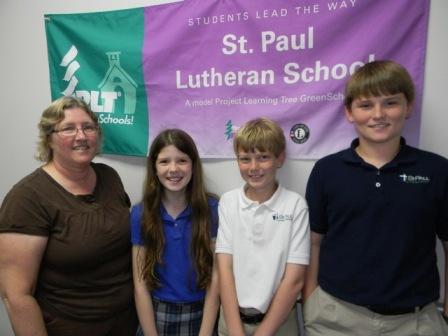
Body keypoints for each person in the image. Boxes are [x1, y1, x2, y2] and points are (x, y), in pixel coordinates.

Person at [303, 60, 448, 336]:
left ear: (408, 107)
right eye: (366, 105)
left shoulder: (437, 171)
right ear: (349, 112)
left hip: (414, 323)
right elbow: (314, 242)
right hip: (335, 319)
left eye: (390, 103)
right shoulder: (327, 170)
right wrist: (311, 299)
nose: (378, 114)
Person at [0, 96, 137, 335]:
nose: (81, 136)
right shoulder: (27, 199)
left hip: (126, 323)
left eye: (88, 127)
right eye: (68, 129)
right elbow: (16, 296)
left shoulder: (109, 177)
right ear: (49, 139)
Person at [216, 117, 310, 336]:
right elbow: (224, 269)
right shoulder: (229, 202)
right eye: (245, 159)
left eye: (263, 158)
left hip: (279, 323)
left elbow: (294, 279)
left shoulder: (295, 205)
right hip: (231, 321)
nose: (254, 167)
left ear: (280, 159)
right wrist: (236, 331)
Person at [131, 129, 220, 336]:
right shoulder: (141, 214)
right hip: (155, 315)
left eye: (182, 160)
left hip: (202, 314)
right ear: (154, 167)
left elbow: (216, 278)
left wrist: (205, 333)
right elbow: (140, 285)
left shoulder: (212, 210)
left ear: (193, 165)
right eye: (164, 161)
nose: (173, 169)